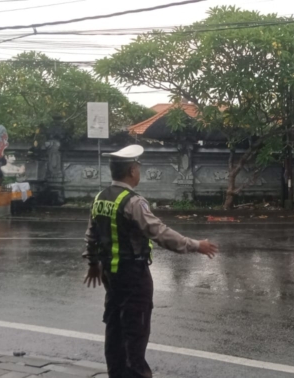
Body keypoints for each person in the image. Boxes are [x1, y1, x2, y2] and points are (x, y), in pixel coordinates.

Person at [82, 145, 218, 378]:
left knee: (114, 327)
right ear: (132, 171)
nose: (139, 171)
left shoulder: (100, 198)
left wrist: (93, 264)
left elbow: (91, 234)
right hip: (133, 275)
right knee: (136, 330)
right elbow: (160, 233)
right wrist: (196, 245)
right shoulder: (133, 202)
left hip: (110, 276)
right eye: (138, 168)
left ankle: (116, 373)